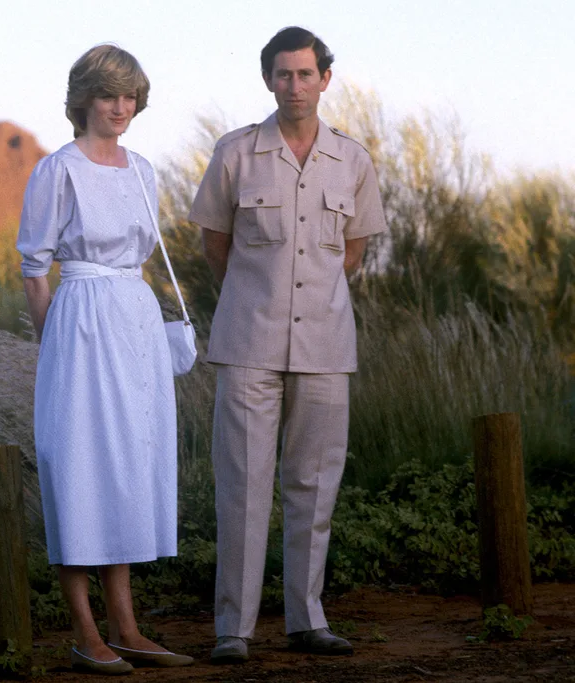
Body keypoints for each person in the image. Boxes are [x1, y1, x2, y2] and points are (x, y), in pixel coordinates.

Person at [188, 26, 388, 662]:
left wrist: (309, 299)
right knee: (243, 486)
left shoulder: (352, 160)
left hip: (326, 347)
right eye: (283, 74)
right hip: (248, 342)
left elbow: (352, 252)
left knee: (315, 483)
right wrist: (258, 295)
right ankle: (234, 630)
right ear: (268, 80)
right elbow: (215, 243)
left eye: (306, 74)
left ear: (325, 79)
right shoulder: (236, 154)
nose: (295, 86)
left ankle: (308, 620)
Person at [16, 44, 194, 676]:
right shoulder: (57, 170)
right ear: (83, 99)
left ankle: (127, 628)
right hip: (81, 318)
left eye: (130, 96)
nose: (121, 107)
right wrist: (55, 343)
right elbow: (36, 269)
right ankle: (85, 631)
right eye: (109, 95)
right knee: (78, 466)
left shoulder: (142, 169)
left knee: (124, 467)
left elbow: (143, 256)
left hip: (135, 318)